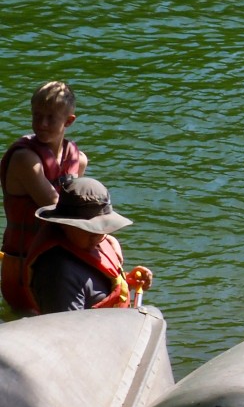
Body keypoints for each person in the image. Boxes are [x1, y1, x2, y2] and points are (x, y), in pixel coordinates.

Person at [2, 81, 89, 313]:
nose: (42, 124)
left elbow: (79, 215)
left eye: (51, 118)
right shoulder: (25, 160)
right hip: (24, 266)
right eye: (37, 116)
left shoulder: (77, 160)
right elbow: (57, 210)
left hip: (59, 265)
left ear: (68, 121)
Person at [26, 177, 151, 313]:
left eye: (103, 227)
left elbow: (91, 287)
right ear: (64, 224)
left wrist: (126, 281)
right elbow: (68, 331)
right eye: (89, 229)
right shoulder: (59, 275)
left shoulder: (90, 243)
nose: (98, 236)